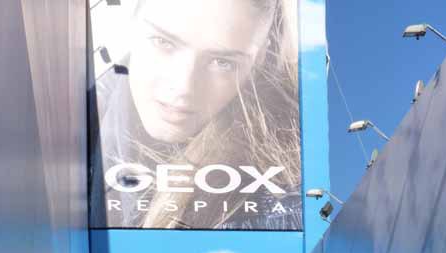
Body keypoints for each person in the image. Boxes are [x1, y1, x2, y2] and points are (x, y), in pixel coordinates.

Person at [89, 0, 302, 230]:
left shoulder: (279, 207)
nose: (183, 87)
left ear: (258, 59)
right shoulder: (71, 122)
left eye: (223, 62)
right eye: (163, 42)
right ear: (129, 26)